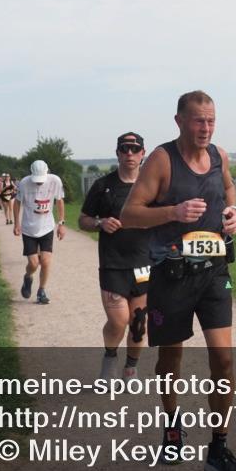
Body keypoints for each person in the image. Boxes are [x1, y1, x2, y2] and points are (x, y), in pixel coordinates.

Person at [120, 90, 236, 471]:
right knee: (170, 359)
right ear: (179, 121)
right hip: (170, 274)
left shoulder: (219, 156)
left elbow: (228, 189)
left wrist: (233, 214)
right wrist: (173, 212)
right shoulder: (162, 160)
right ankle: (172, 426)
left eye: (211, 120)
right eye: (198, 121)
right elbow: (129, 215)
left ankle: (219, 448)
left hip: (213, 271)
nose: (205, 128)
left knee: (224, 360)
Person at [79, 133, 151, 381]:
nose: (129, 154)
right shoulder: (103, 185)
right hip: (113, 264)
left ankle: (131, 368)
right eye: (124, 149)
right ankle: (110, 357)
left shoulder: (152, 186)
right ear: (118, 153)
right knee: (119, 321)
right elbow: (83, 220)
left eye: (135, 149)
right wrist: (100, 222)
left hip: (144, 264)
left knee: (139, 323)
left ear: (143, 153)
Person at [14, 160, 66, 305]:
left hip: (47, 227)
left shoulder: (55, 181)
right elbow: (17, 202)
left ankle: (41, 291)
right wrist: (16, 223)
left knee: (46, 261)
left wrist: (61, 223)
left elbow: (60, 201)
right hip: (29, 228)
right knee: (33, 263)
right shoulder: (24, 183)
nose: (38, 183)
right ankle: (28, 277)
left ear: (47, 172)